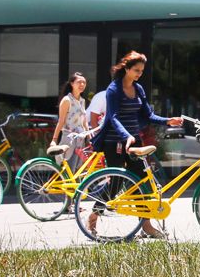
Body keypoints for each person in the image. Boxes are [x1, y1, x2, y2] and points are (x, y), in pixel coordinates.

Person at [87, 51, 182, 239]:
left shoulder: (138, 88)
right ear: (127, 68)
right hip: (115, 141)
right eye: (136, 70)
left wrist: (167, 121)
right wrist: (126, 136)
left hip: (133, 140)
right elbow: (113, 117)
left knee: (141, 182)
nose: (139, 74)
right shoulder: (114, 89)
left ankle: (146, 226)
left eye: (142, 71)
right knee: (116, 182)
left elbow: (148, 115)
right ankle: (94, 215)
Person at [50, 72, 89, 159]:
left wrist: (89, 137)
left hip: (80, 139)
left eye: (84, 82)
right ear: (72, 83)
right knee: (66, 164)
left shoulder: (82, 101)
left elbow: (84, 121)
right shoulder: (67, 100)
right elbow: (61, 121)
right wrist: (54, 140)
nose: (82, 84)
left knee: (79, 166)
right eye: (79, 82)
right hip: (68, 138)